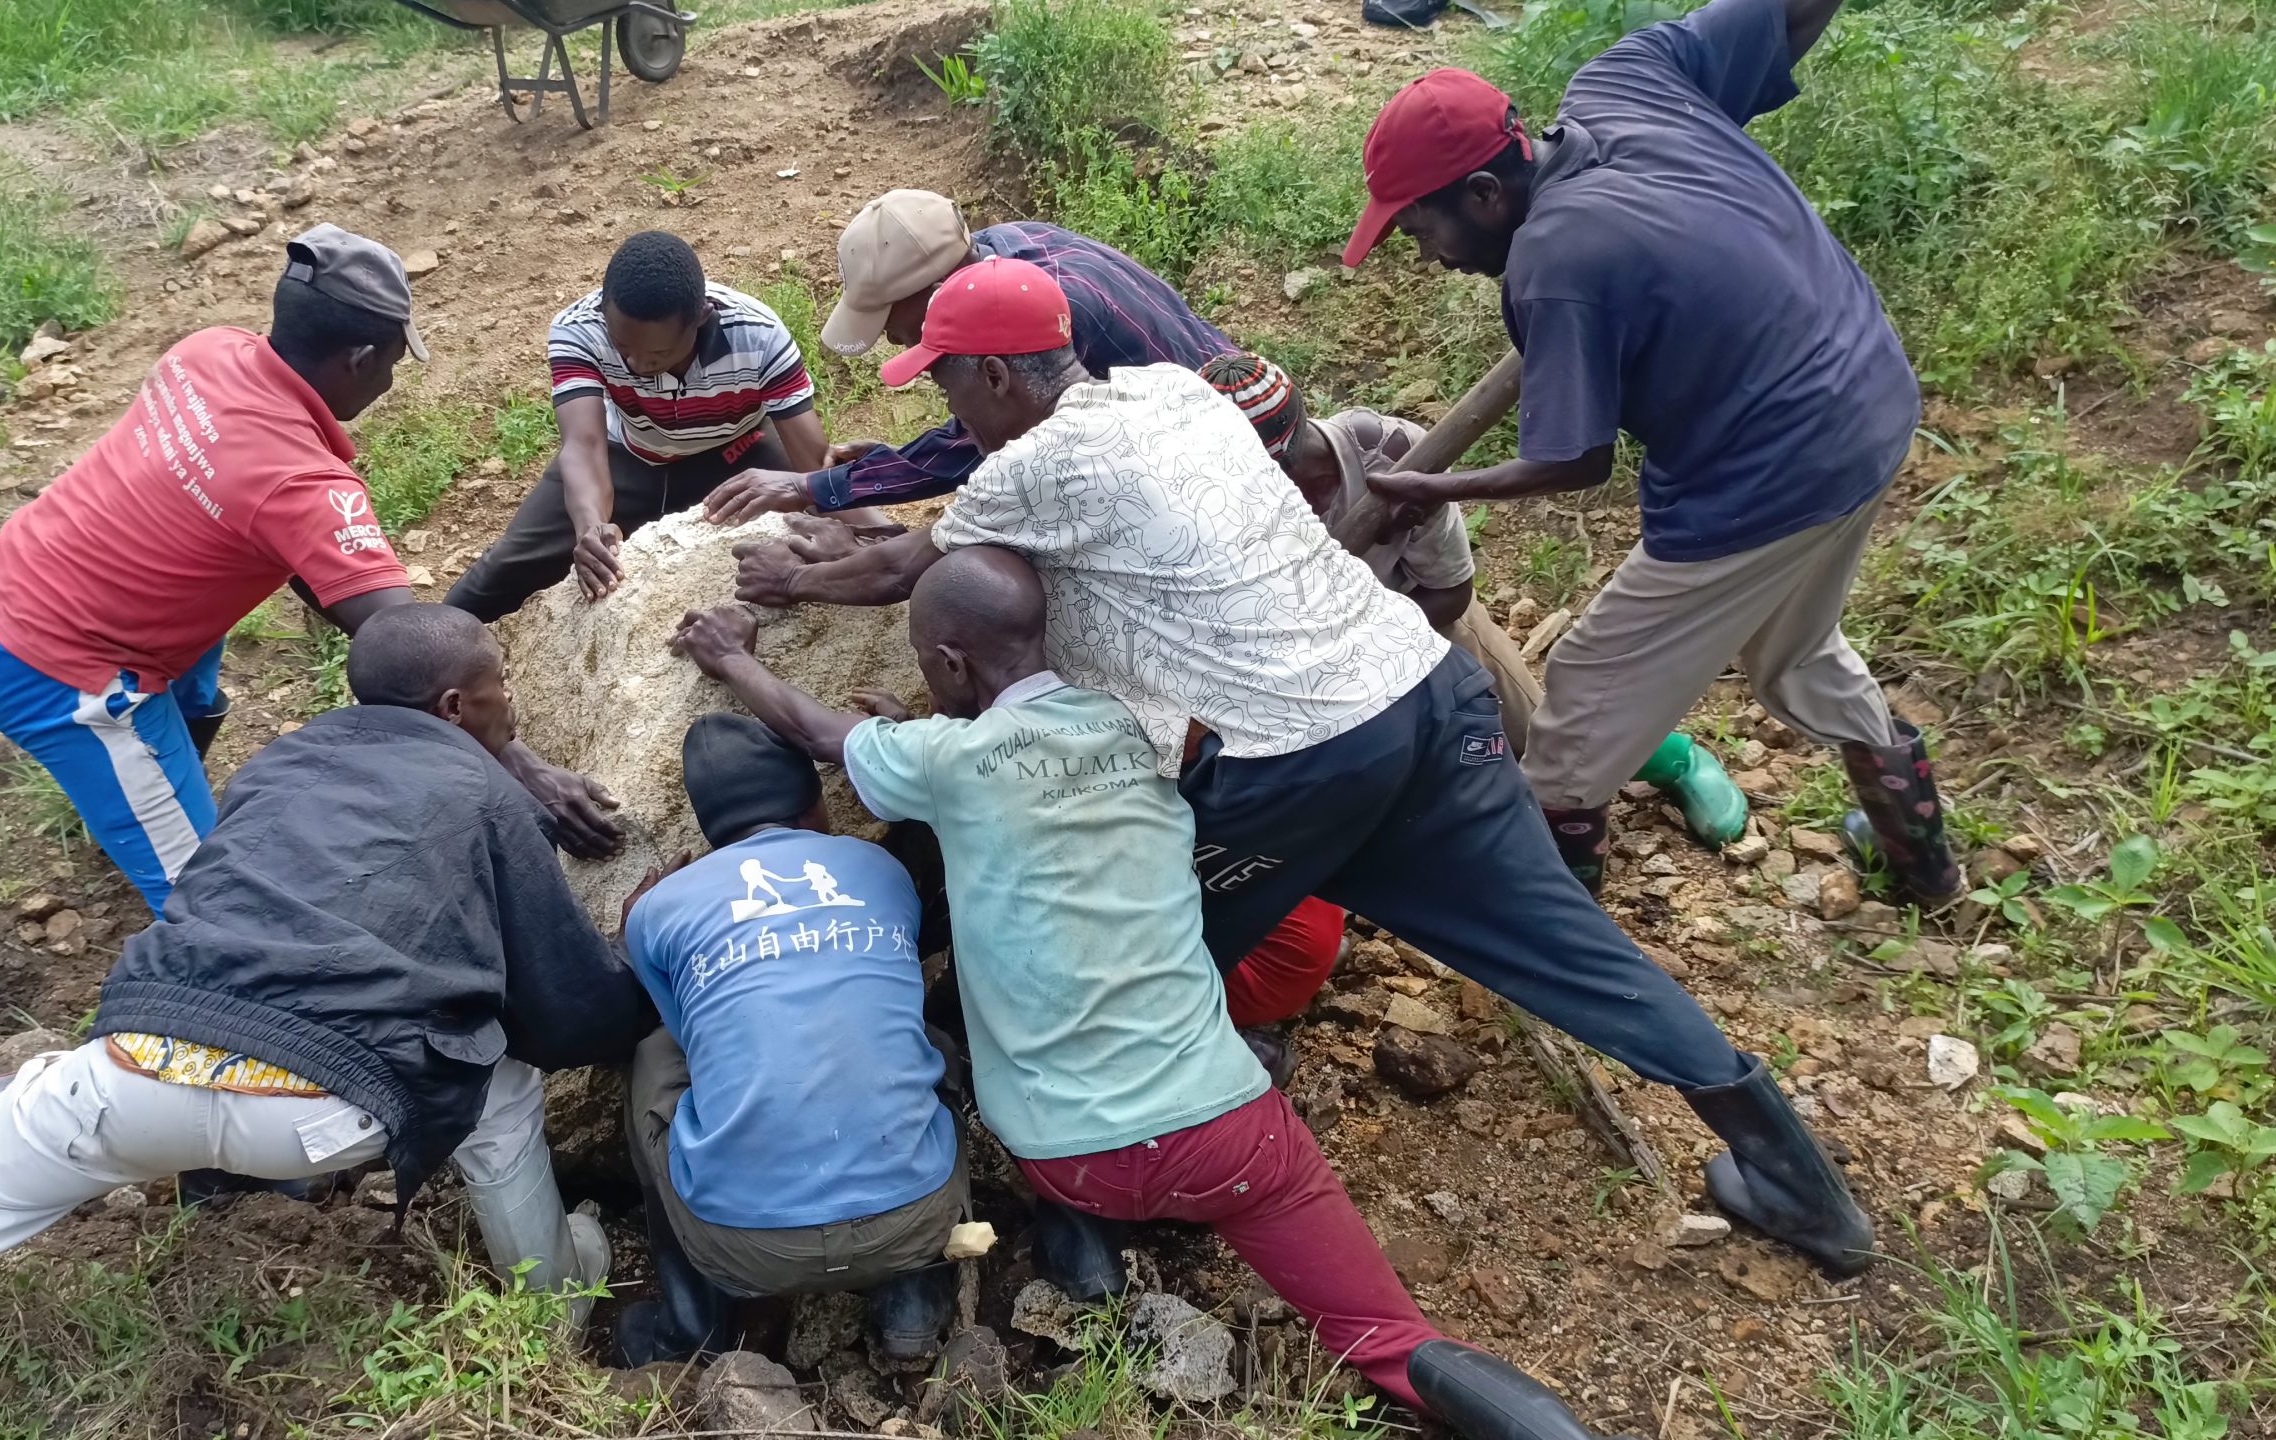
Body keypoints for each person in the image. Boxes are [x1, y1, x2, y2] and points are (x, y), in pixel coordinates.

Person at [730, 259, 1875, 1284]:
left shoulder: (1032, 465)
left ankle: (1074, 1199)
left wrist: (786, 587)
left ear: (995, 377)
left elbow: (903, 577)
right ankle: (1800, 1185)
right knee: (1567, 951)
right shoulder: (1175, 393)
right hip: (1423, 698)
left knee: (1113, 939)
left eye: (949, 387)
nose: (952, 410)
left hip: (1295, 762)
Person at [669, 551, 1624, 1440]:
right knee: (1395, 1342)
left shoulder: (942, 762)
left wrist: (731, 655)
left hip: (1066, 1156)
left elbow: (816, 733)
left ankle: (1073, 1234)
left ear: (950, 664)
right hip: (1231, 1137)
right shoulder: (1142, 723)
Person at [0, 606, 645, 1425]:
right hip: (327, 1116)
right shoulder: (489, 796)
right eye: (503, 688)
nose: (511, 705)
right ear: (454, 707)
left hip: (126, 1074)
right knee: (503, 1086)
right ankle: (551, 1305)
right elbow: (564, 1007)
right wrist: (646, 976)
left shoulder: (282, 761)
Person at [1337, 0, 1959, 906]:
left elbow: (1575, 463)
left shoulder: (1557, 264)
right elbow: (1782, 15)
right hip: (1868, 395)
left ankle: (1551, 912)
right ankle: (1924, 863)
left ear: (1483, 195)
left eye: (1421, 228)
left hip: (1768, 471)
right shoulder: (1627, 85)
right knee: (1795, 647)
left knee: (1586, 691)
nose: (1427, 253)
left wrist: (1432, 484)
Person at [0, 225, 617, 915]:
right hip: (65, 675)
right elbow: (412, 648)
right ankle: (138, 810)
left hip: (9, 580)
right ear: (360, 359)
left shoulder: (208, 351)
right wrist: (519, 762)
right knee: (217, 912)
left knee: (198, 698)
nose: (393, 380)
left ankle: (129, 803)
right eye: (394, 361)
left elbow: (317, 574)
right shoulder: (299, 484)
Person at [1198, 351, 1750, 876]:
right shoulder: (1211, 497)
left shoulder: (1394, 455)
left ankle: (1670, 758)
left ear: (1292, 447)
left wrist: (1361, 643)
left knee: (1546, 737)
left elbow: (1451, 594)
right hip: (1307, 656)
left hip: (1420, 614)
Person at [610, 714, 966, 1366]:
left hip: (745, 1249)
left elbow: (695, 1039)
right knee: (929, 1045)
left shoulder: (658, 911)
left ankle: (689, 1328)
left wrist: (634, 931)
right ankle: (915, 1299)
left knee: (656, 1056)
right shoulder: (879, 869)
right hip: (915, 1220)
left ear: (710, 830)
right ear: (817, 804)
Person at [701, 189, 1235, 523]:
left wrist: (813, 488)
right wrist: (896, 458)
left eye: (891, 319)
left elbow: (993, 452)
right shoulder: (1002, 248)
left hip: (1213, 464)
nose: (891, 339)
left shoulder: (1055, 314)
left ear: (938, 290)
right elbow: (990, 425)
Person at [445, 231, 831, 619]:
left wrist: (862, 524)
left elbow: (813, 463)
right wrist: (592, 529)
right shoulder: (579, 328)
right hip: (627, 457)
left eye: (658, 352)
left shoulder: (757, 334)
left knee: (827, 526)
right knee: (500, 574)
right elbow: (584, 445)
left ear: (700, 317)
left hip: (737, 453)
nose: (636, 365)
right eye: (623, 347)